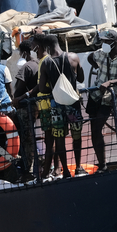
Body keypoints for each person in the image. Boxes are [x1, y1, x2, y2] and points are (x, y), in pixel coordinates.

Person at [34, 32, 85, 179]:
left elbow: (42, 88)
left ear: (48, 47)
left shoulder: (46, 63)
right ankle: (78, 167)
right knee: (77, 136)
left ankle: (65, 172)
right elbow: (81, 78)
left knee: (59, 138)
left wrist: (57, 90)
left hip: (56, 105)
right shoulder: (73, 57)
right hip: (73, 103)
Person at [87, 30, 117, 172]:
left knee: (97, 128)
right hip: (95, 94)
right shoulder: (100, 53)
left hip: (111, 97)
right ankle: (102, 164)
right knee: (94, 131)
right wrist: (97, 67)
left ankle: (103, 165)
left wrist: (111, 82)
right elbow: (90, 58)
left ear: (114, 42)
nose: (103, 44)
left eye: (106, 42)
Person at [11, 40, 40, 179]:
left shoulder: (26, 67)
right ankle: (35, 167)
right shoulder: (39, 64)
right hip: (36, 106)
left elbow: (18, 90)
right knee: (32, 138)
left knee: (26, 139)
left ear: (23, 52)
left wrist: (15, 99)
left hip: (24, 108)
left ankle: (28, 170)